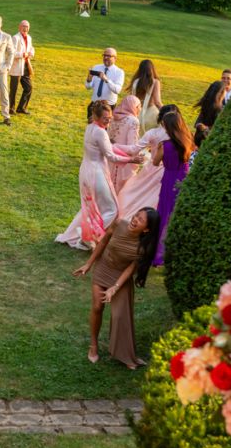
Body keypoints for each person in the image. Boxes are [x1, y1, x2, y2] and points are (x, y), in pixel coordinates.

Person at [73, 207, 160, 369]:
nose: (135, 220)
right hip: (103, 268)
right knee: (98, 307)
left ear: (147, 229)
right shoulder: (119, 224)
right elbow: (103, 241)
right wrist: (88, 264)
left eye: (141, 220)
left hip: (120, 277)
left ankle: (125, 354)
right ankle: (93, 345)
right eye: (136, 216)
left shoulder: (143, 247)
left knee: (121, 315)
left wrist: (115, 287)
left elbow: (130, 269)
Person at [55, 101, 142, 250]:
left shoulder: (91, 127)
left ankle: (80, 235)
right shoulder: (101, 132)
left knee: (92, 206)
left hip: (86, 170)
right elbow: (111, 156)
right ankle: (85, 235)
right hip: (96, 173)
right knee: (112, 209)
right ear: (96, 116)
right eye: (105, 118)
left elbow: (108, 149)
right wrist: (131, 159)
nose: (108, 121)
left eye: (109, 118)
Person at [114, 104, 177, 220]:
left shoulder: (153, 133)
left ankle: (126, 218)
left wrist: (114, 146)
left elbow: (133, 149)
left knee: (134, 194)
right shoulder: (179, 135)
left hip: (152, 168)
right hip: (170, 171)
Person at [151, 111, 193, 266]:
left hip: (169, 180)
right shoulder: (188, 141)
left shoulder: (165, 145)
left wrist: (156, 150)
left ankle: (158, 253)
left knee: (163, 214)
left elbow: (155, 162)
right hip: (183, 179)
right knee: (177, 215)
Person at [108, 95, 141, 194]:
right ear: (133, 107)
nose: (140, 109)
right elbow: (132, 148)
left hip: (109, 158)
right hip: (123, 162)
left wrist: (112, 146)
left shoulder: (113, 116)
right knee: (121, 193)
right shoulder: (133, 121)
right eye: (139, 106)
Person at [85, 47, 124, 121]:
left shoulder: (119, 72)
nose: (105, 57)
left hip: (108, 107)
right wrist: (89, 79)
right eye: (104, 55)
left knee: (106, 131)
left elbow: (117, 90)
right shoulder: (96, 67)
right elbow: (88, 87)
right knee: (92, 129)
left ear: (115, 58)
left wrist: (106, 80)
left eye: (108, 56)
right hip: (94, 105)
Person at [127, 59, 162, 133]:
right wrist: (167, 112)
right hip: (151, 115)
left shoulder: (135, 82)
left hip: (137, 114)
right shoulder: (155, 82)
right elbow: (157, 102)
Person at [9, 20, 34, 115]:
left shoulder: (29, 38)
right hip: (16, 66)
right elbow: (12, 52)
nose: (25, 28)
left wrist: (32, 52)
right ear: (19, 27)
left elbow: (31, 48)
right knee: (14, 89)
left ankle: (21, 108)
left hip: (26, 66)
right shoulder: (15, 38)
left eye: (27, 26)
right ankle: (11, 109)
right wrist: (23, 54)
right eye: (23, 26)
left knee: (29, 87)